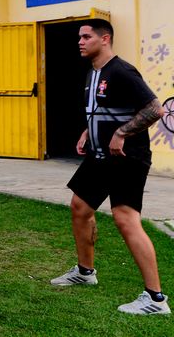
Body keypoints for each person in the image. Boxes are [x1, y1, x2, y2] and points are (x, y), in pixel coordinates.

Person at [50, 19, 169, 315]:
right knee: (80, 206)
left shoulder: (122, 70)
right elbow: (106, 109)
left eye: (86, 36)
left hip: (127, 157)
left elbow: (155, 109)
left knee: (125, 218)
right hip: (100, 155)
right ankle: (85, 272)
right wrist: (88, 131)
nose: (80, 41)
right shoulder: (94, 73)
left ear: (105, 39)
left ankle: (155, 300)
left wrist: (122, 133)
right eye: (79, 36)